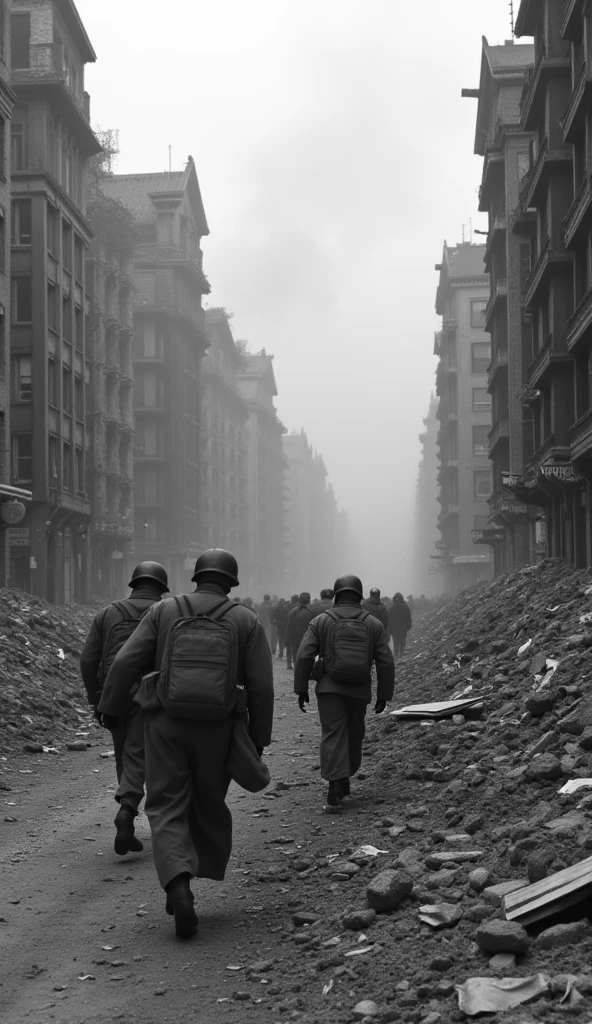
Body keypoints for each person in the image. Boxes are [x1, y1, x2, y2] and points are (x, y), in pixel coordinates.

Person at [97, 548, 274, 940]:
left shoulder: (164, 612)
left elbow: (126, 661)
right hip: (219, 729)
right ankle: (187, 872)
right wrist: (258, 739)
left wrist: (110, 707)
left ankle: (178, 883)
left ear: (196, 576)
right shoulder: (245, 619)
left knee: (166, 806)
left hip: (165, 725)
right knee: (206, 803)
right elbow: (261, 686)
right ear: (232, 581)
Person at [80, 561, 169, 855]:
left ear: (134, 584)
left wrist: (98, 699)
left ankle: (127, 811)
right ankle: (134, 813)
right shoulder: (168, 612)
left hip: (115, 696)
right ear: (161, 588)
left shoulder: (108, 613)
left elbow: (89, 661)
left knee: (126, 755)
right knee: (153, 756)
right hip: (155, 697)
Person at [294, 573, 394, 809]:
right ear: (360, 596)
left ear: (336, 595)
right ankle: (344, 778)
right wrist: (384, 695)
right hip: (359, 689)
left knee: (333, 734)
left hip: (329, 689)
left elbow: (304, 655)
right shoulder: (373, 624)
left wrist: (301, 689)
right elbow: (386, 662)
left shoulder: (321, 621)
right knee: (354, 734)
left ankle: (334, 788)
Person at [286, 592, 314, 671]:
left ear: (299, 600)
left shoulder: (292, 612)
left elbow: (288, 627)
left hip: (295, 638)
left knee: (296, 655)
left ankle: (297, 670)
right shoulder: (312, 611)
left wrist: (287, 639)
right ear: (309, 600)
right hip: (308, 638)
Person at [285, 594, 299, 669]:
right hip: (296, 630)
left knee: (289, 648)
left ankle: (289, 664)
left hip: (289, 629)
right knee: (295, 648)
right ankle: (295, 663)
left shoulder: (287, 607)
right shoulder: (299, 608)